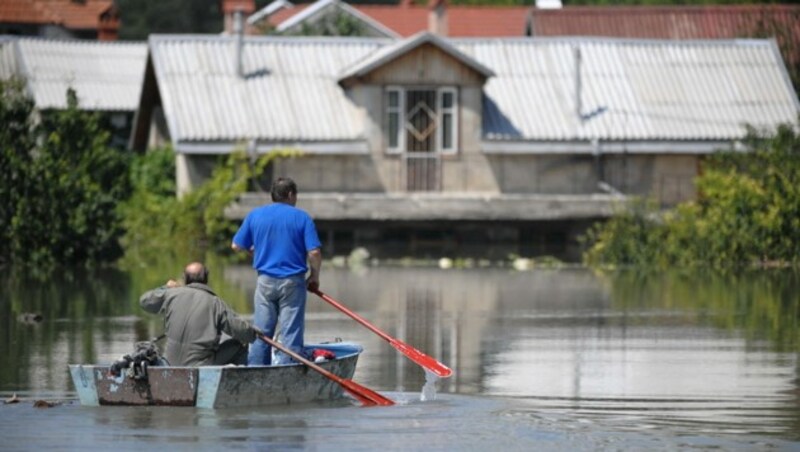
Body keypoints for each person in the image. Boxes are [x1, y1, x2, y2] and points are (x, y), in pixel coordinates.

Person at [231, 177, 322, 366]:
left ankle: (256, 371)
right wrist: (314, 276)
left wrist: (256, 251)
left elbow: (236, 245)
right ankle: (288, 371)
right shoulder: (302, 217)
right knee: (291, 333)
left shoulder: (255, 215)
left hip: (264, 282)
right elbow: (314, 252)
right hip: (292, 283)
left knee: (261, 334)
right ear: (290, 194)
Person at [139, 262, 258, 367]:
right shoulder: (216, 303)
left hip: (169, 363)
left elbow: (144, 301)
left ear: (185, 278)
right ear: (206, 279)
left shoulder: (170, 295)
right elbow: (245, 334)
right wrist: (255, 332)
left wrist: (166, 288)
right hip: (200, 365)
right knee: (239, 344)